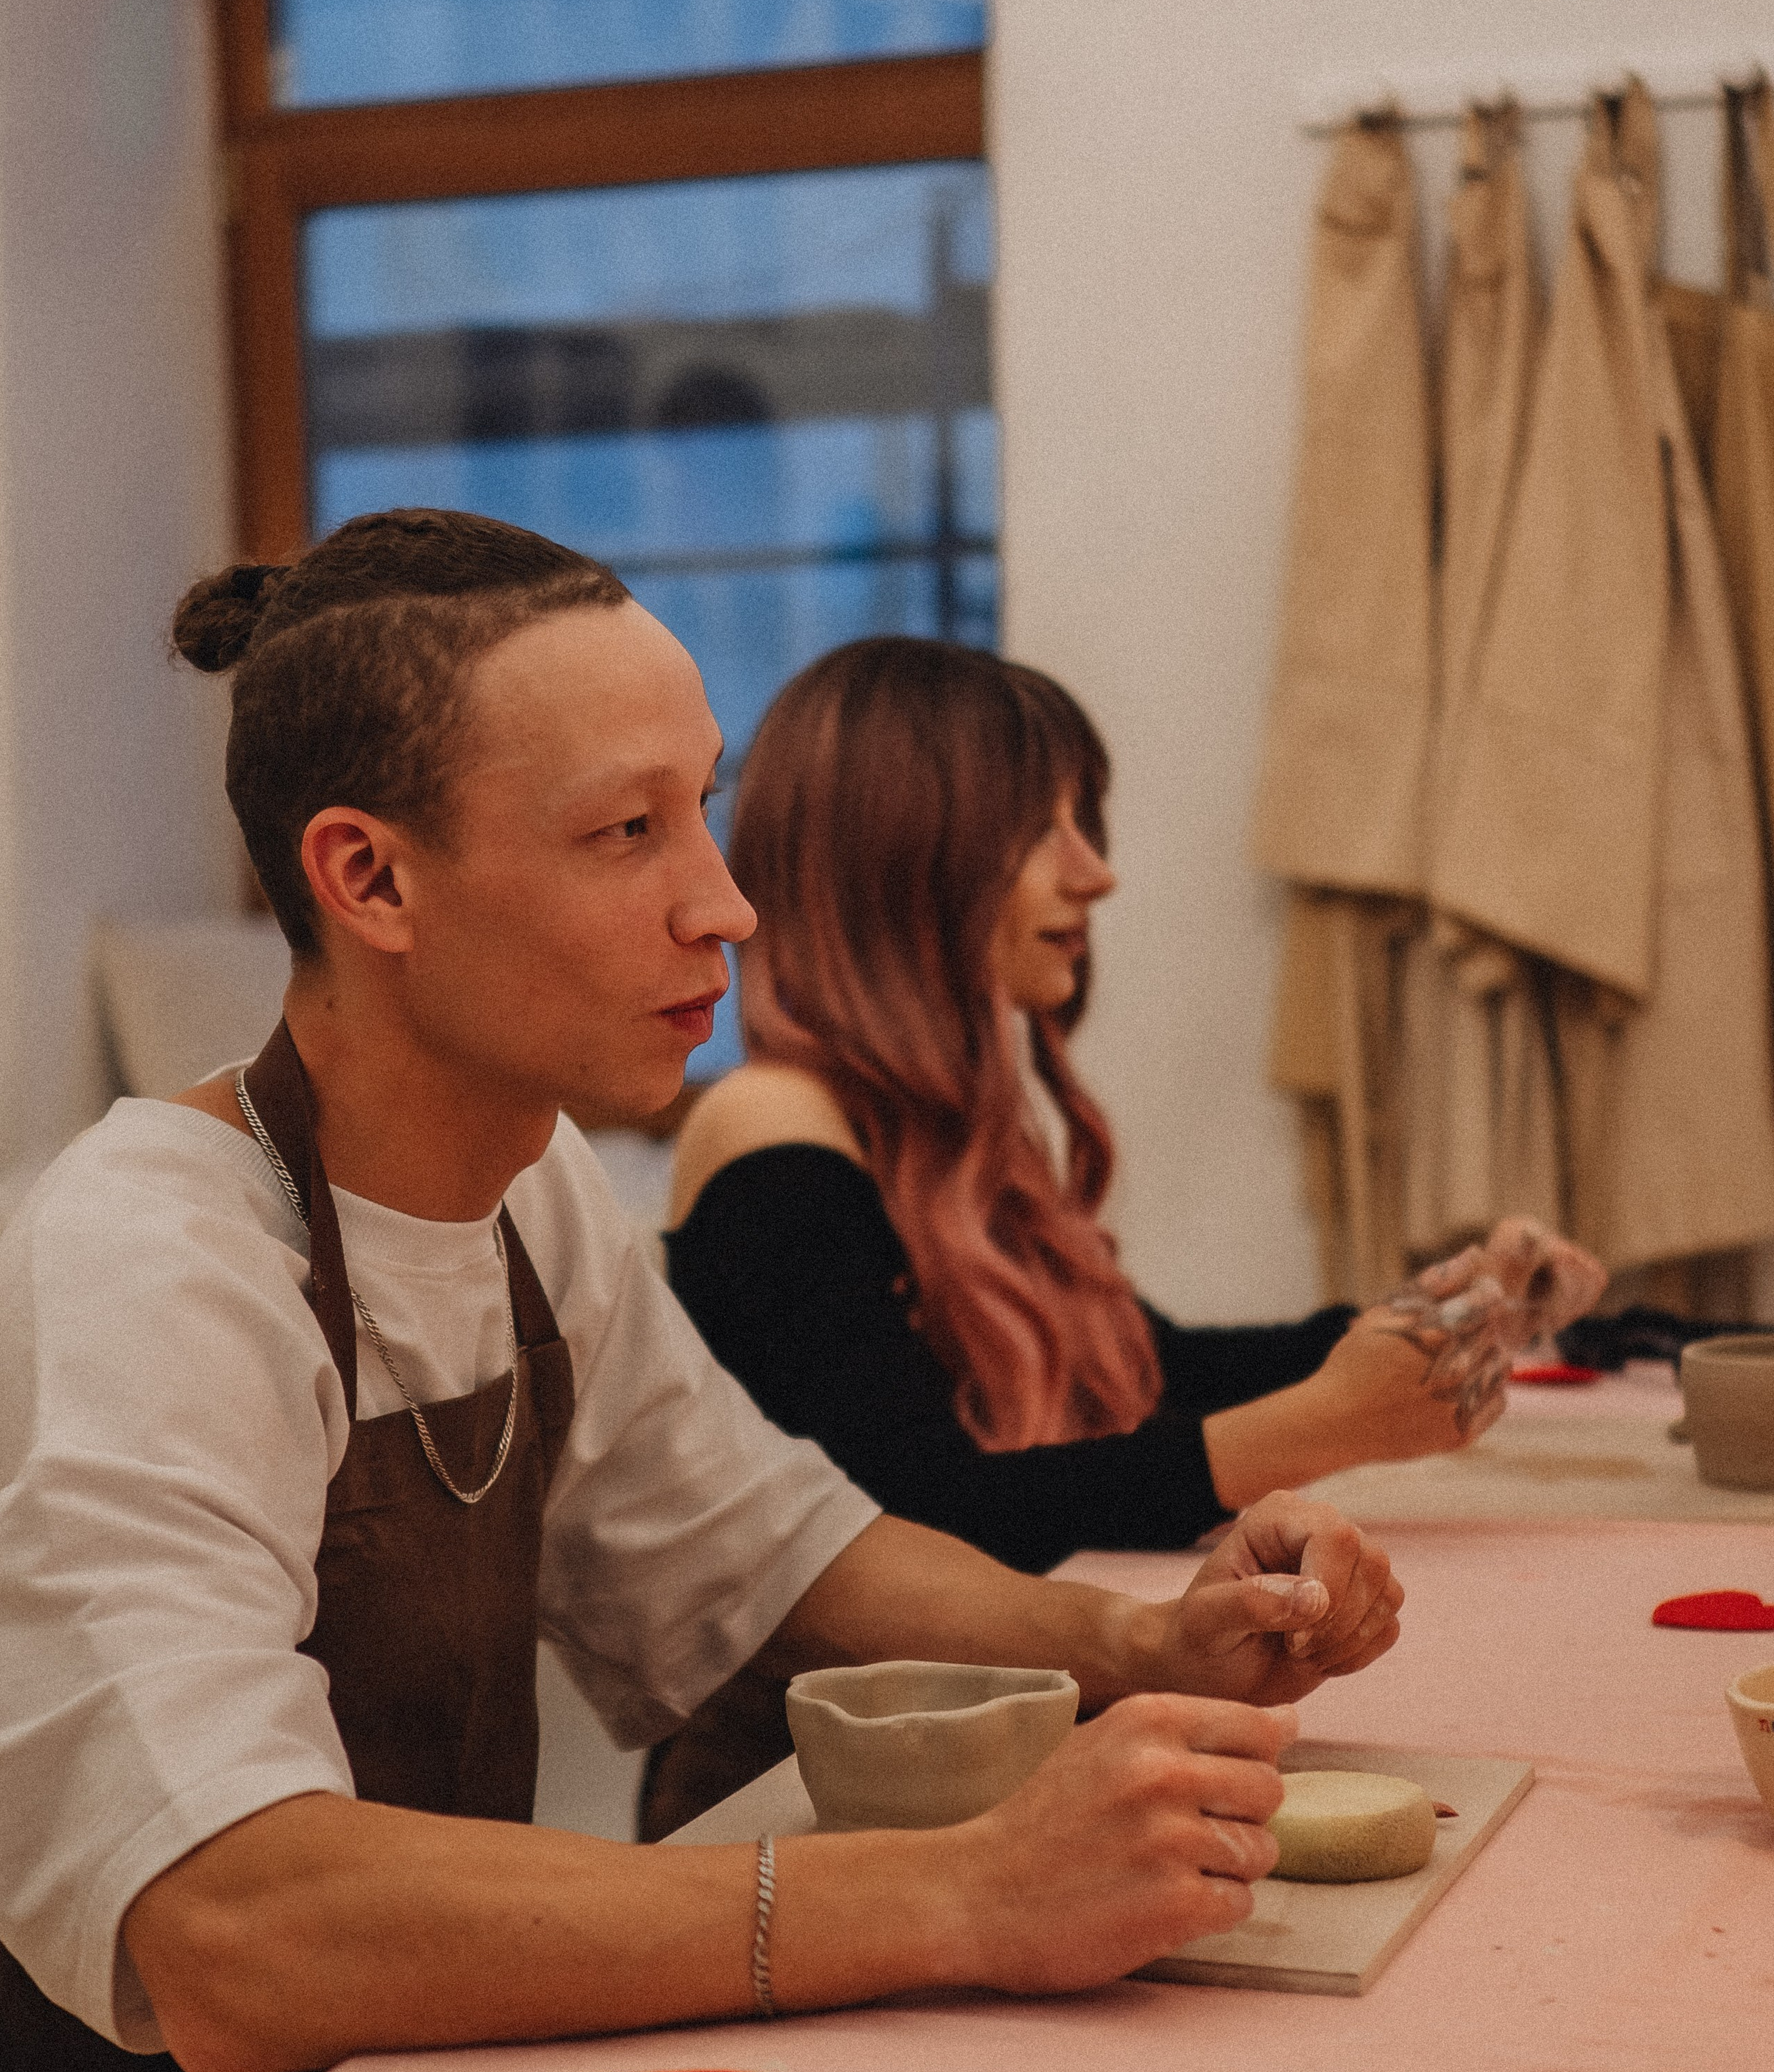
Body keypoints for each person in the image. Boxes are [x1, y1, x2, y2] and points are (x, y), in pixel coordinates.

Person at [0, 511, 1406, 2072]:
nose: (721, 901)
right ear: (369, 880)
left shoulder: (535, 1192)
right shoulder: (149, 1270)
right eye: (626, 832)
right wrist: (958, 1895)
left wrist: (1139, 1635)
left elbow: (772, 1539)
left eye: (700, 812)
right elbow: (233, 1923)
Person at [666, 638, 1607, 1580]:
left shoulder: (929, 1128)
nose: (1095, 874)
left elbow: (1150, 1366)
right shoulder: (770, 1127)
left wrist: (1449, 1319)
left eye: (1086, 824)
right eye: (1038, 829)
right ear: (898, 856)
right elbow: (923, 1515)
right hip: (809, 1728)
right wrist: (1328, 1424)